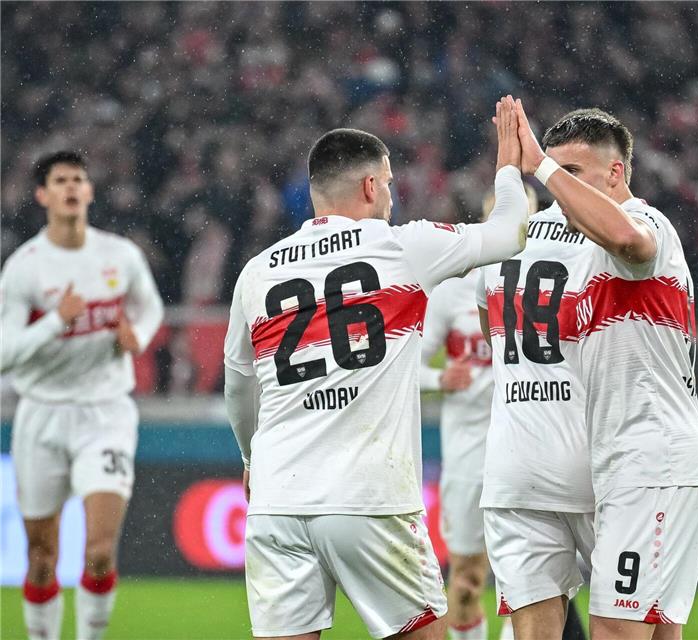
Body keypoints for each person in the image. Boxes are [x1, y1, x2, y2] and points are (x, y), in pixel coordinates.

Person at [222, 98, 530, 640]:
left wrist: (251, 457)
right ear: (369, 186)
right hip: (368, 497)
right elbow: (509, 233)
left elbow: (238, 387)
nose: (391, 195)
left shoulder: (257, 271)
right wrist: (508, 167)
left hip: (277, 501)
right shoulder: (401, 247)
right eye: (388, 183)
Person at [509, 102, 698, 640]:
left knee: (614, 630)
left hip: (654, 460)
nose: (556, 188)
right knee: (656, 634)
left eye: (571, 172)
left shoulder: (648, 226)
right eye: (554, 172)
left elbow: (628, 240)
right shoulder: (588, 262)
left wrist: (541, 167)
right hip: (637, 461)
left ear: (615, 172)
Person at [0, 151, 164, 640]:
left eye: (78, 179)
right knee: (41, 557)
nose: (71, 187)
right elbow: (4, 355)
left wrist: (138, 335)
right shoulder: (25, 268)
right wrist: (56, 321)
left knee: (98, 552)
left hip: (105, 412)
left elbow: (150, 308)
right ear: (43, 195)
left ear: (89, 191)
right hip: (42, 415)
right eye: (60, 180)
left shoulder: (120, 255)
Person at [475, 152, 597, 639]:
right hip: (591, 459)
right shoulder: (602, 240)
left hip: (513, 464)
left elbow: (492, 335)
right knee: (637, 622)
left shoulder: (499, 249)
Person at [419, 185, 539, 640]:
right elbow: (406, 365)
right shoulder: (454, 289)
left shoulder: (549, 286)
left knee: (532, 583)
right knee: (467, 582)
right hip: (469, 457)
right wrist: (439, 378)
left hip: (532, 450)